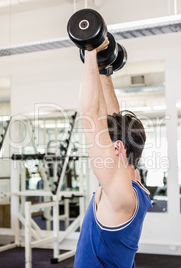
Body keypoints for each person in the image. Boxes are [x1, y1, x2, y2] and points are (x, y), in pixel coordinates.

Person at [74, 38, 152, 267]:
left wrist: (90, 51)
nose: (101, 145)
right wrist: (104, 70)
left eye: (106, 142)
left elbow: (90, 113)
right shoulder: (132, 181)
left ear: (117, 148)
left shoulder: (120, 192)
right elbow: (112, 114)